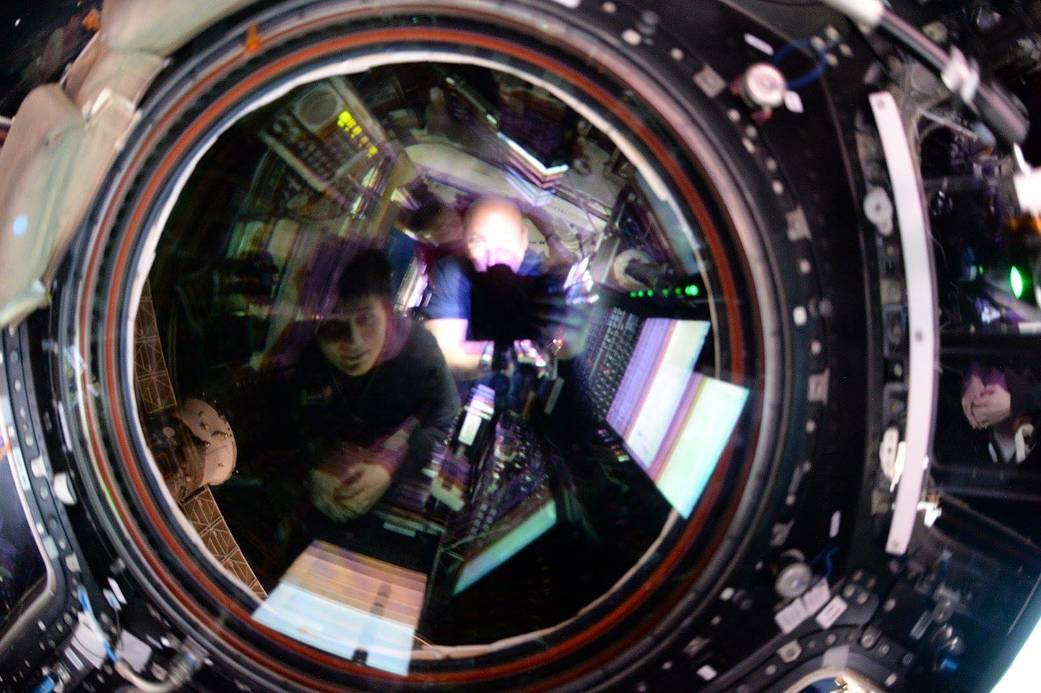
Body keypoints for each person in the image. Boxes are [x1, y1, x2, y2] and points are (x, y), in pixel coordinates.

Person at [213, 248, 460, 581]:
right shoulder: (305, 353)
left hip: (385, 522)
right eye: (334, 328)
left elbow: (445, 416)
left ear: (387, 309)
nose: (354, 343)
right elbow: (289, 423)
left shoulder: (419, 349)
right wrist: (312, 468)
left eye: (366, 319)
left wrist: (391, 465)